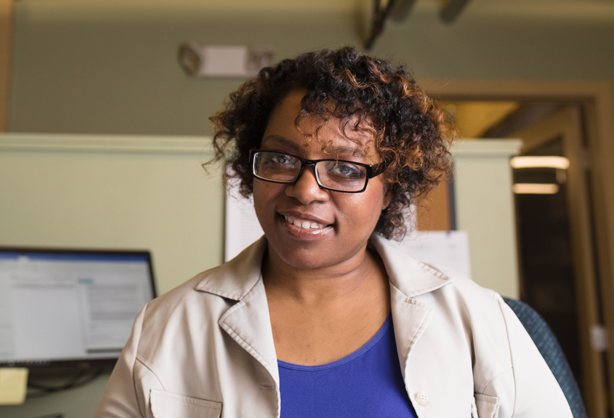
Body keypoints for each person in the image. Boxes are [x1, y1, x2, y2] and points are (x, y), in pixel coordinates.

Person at [95, 47, 573, 418]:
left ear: (390, 187)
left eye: (344, 168)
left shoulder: (478, 320)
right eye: (282, 158)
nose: (305, 190)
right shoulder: (165, 328)